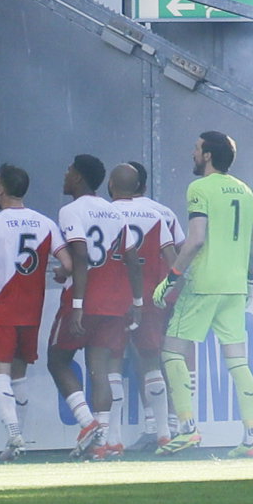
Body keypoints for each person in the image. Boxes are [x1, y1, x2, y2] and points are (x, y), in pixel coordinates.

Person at [164, 128, 253, 457]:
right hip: (235, 287)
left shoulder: (199, 188)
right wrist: (248, 279)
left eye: (196, 149)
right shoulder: (245, 191)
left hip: (203, 284)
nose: (193, 153)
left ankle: (187, 429)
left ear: (207, 155)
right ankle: (251, 437)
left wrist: (172, 277)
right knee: (237, 360)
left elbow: (195, 239)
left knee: (172, 351)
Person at [0, 164, 59, 459]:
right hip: (32, 309)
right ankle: (17, 442)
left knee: (0, 374)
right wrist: (62, 275)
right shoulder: (45, 223)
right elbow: (66, 261)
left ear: (1, 188)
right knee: (19, 377)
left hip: (4, 307)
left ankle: (14, 436)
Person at [106, 162, 189, 448]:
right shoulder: (159, 213)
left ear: (112, 185)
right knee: (156, 356)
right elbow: (175, 253)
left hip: (117, 296)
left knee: (113, 361)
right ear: (141, 184)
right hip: (156, 295)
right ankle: (170, 427)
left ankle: (116, 436)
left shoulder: (106, 213)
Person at [49, 151, 127, 456]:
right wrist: (133, 300)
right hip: (112, 302)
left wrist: (78, 302)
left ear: (78, 176)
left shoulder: (71, 211)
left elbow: (81, 255)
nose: (65, 175)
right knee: (100, 369)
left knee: (57, 361)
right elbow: (126, 259)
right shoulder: (114, 212)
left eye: (69, 170)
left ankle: (87, 422)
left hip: (82, 297)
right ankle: (103, 443)